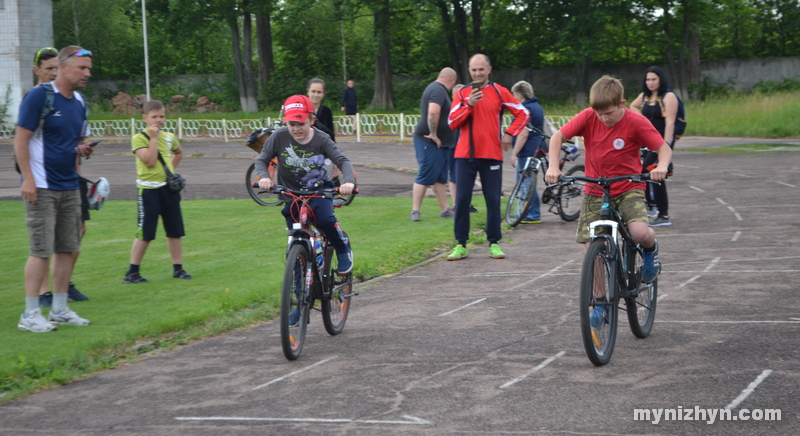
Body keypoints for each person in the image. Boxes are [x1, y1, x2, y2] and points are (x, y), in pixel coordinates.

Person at [544, 75, 670, 326]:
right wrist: (553, 166)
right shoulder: (589, 115)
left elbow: (662, 147)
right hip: (595, 188)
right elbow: (557, 137)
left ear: (622, 103)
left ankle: (649, 250)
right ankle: (600, 302)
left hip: (628, 187)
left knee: (638, 231)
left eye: (609, 113)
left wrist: (662, 166)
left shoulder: (636, 121)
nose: (603, 118)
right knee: (592, 246)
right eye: (599, 113)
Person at [14, 46, 94, 332]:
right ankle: (30, 313)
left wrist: (82, 151)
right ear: (63, 66)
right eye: (82, 68)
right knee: (41, 250)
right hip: (42, 187)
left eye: (89, 69)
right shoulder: (40, 96)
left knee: (67, 248)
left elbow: (72, 142)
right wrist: (27, 179)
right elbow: (20, 139)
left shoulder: (81, 101)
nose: (87, 73)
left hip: (69, 186)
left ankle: (59, 309)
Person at [255, 95, 356, 276]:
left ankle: (342, 249)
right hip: (291, 195)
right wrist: (265, 178)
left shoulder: (321, 139)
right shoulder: (278, 137)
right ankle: (299, 293)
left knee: (325, 220)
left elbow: (342, 160)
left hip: (318, 191)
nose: (296, 128)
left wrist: (348, 182)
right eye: (291, 124)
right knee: (296, 243)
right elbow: (262, 160)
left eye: (300, 123)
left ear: (312, 119)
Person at [446, 54, 529, 260]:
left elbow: (523, 113)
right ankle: (460, 244)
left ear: (489, 70)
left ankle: (494, 243)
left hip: (491, 154)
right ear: (469, 71)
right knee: (462, 199)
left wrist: (510, 133)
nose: (477, 73)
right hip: (465, 155)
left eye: (481, 69)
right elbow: (452, 122)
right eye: (473, 70)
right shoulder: (463, 93)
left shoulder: (500, 92)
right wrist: (469, 105)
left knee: (492, 199)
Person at [123, 100, 191, 283]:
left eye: (162, 116)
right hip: (148, 191)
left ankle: (178, 268)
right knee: (145, 232)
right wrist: (153, 138)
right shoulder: (139, 138)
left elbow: (178, 153)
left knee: (175, 231)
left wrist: (170, 173)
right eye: (154, 117)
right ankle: (132, 272)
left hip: (168, 190)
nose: (159, 120)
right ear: (144, 118)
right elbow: (149, 161)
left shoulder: (169, 137)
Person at [630, 66, 678, 227]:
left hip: (660, 143)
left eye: (654, 79)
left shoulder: (668, 96)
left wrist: (665, 145)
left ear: (660, 80)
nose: (650, 82)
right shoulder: (645, 97)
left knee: (653, 173)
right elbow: (633, 106)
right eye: (648, 79)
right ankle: (652, 206)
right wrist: (641, 119)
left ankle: (663, 214)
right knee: (646, 173)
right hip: (647, 141)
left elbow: (670, 122)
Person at [410, 67, 458, 221]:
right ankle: (415, 210)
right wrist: (433, 134)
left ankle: (445, 209)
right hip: (429, 140)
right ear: (452, 80)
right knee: (425, 174)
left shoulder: (437, 89)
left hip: (440, 143)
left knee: (439, 177)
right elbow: (433, 112)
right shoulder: (438, 90)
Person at [509, 80, 545, 224]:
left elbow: (523, 134)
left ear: (518, 95)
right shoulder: (536, 106)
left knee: (525, 183)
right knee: (527, 182)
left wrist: (514, 153)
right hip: (535, 148)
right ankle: (528, 213)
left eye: (513, 95)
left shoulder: (525, 110)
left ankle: (532, 214)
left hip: (527, 150)